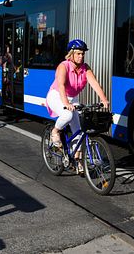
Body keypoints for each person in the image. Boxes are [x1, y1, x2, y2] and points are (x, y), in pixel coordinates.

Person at [46, 39, 109, 175]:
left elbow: (95, 84)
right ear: (72, 54)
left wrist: (104, 100)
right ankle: (55, 131)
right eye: (79, 54)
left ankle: (78, 160)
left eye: (83, 54)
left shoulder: (85, 68)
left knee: (79, 130)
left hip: (72, 98)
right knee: (67, 115)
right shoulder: (64, 66)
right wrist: (66, 104)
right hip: (56, 96)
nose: (81, 56)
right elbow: (61, 86)